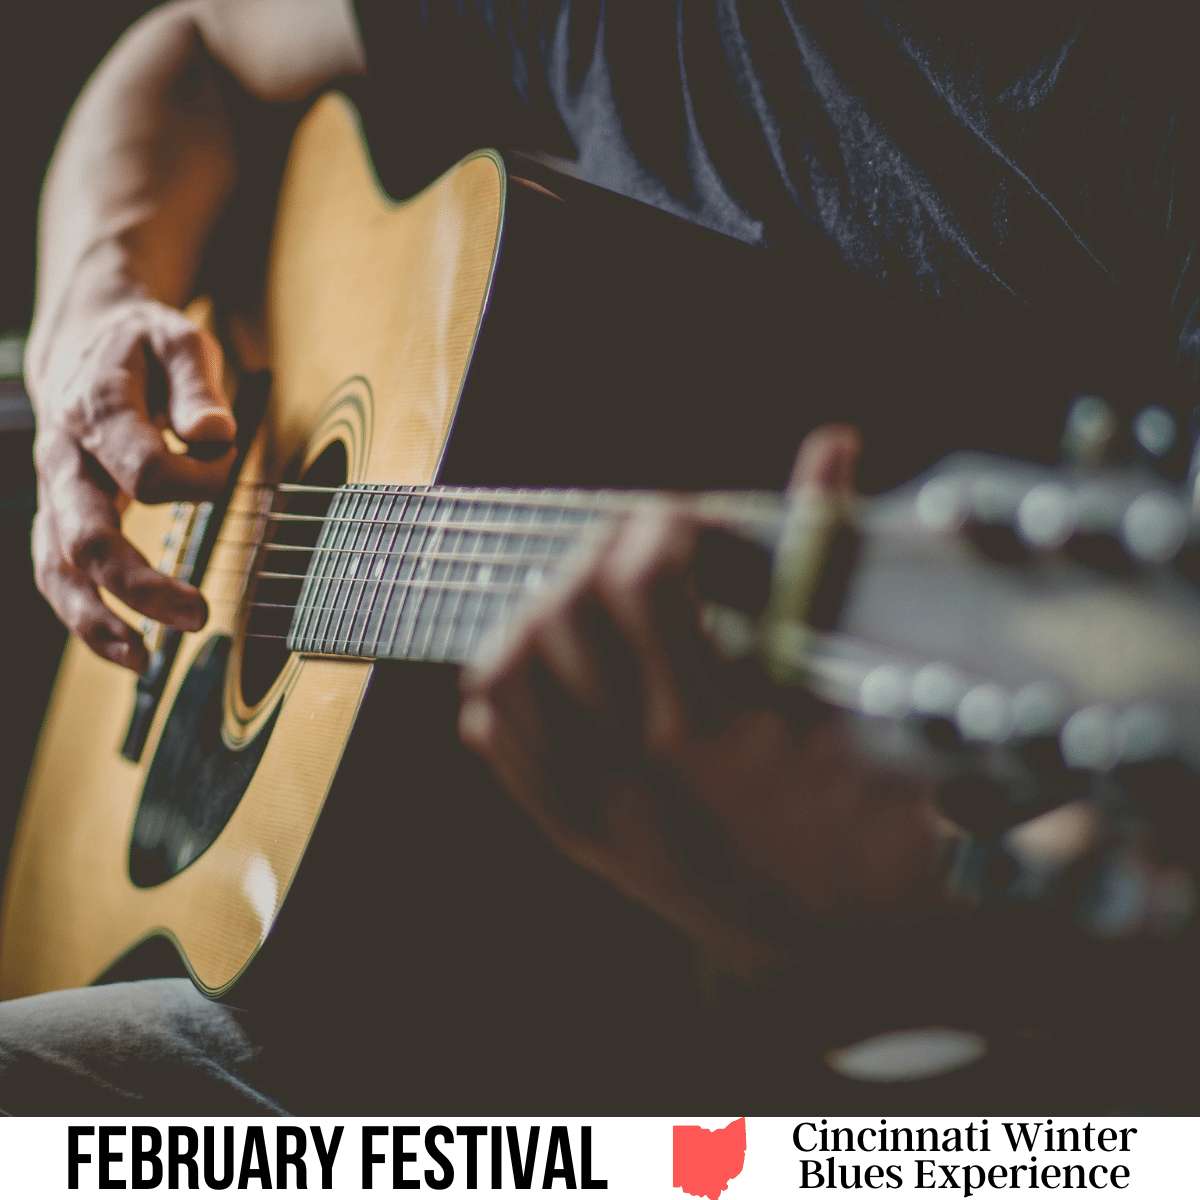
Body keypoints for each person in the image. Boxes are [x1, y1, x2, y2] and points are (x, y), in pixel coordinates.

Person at [10, 0, 1199, 1113]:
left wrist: (886, 946)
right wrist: (91, 315)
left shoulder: (1133, 92)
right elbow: (195, 49)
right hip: (461, 923)